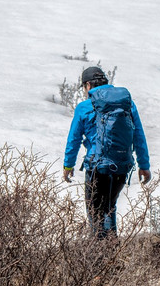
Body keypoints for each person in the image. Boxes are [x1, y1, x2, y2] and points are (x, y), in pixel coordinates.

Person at [63, 66, 150, 239]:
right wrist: (144, 165)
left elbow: (74, 139)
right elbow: (138, 134)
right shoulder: (127, 104)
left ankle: (99, 256)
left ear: (88, 85)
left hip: (97, 166)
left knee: (95, 211)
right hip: (121, 165)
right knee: (109, 207)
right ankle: (111, 251)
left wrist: (68, 165)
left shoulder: (84, 107)